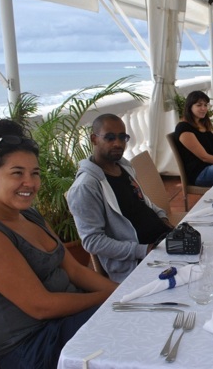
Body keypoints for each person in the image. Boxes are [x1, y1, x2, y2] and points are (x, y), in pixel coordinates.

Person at [0, 118, 117, 368]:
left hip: (68, 322)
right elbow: (41, 306)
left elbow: (74, 269)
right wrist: (106, 297)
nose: (30, 183)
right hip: (34, 348)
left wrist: (118, 291)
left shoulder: (28, 215)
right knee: (133, 325)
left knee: (143, 317)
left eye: (35, 173)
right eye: (17, 173)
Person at [67, 114, 174, 283]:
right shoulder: (86, 187)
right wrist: (143, 250)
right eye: (109, 137)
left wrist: (163, 218)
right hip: (138, 262)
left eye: (122, 137)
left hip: (162, 241)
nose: (118, 143)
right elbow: (92, 241)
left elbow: (143, 202)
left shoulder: (124, 167)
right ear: (94, 139)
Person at [174, 91, 213, 187]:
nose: (203, 108)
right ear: (190, 107)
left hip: (212, 167)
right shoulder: (184, 128)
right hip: (200, 173)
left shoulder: (202, 123)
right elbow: (204, 157)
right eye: (199, 105)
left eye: (205, 105)